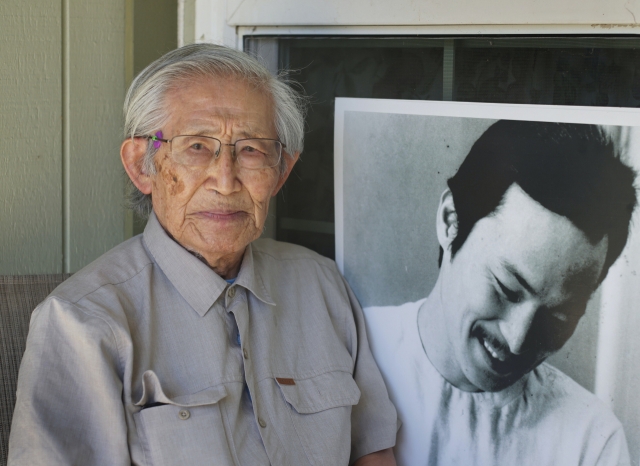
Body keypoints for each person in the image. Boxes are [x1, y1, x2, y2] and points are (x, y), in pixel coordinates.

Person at [8, 44, 397, 466]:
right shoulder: (81, 322)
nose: (226, 181)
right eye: (196, 146)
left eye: (251, 149)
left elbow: (372, 451)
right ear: (143, 165)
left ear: (281, 171)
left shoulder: (320, 284)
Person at [364, 120, 637, 466]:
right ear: (451, 222)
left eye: (558, 317)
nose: (518, 339)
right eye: (507, 288)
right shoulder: (347, 359)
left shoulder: (592, 442)